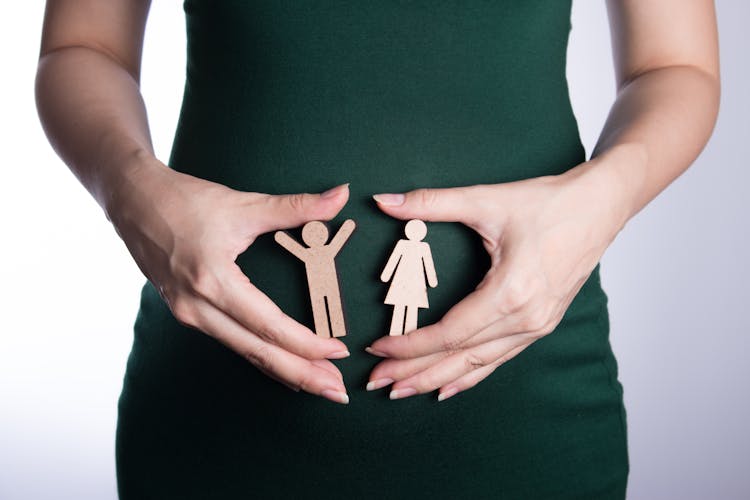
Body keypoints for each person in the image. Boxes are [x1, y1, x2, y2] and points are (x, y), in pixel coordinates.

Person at [35, 1, 720, 498]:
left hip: (529, 427)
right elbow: (83, 46)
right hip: (210, 428)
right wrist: (130, 188)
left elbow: (677, 66)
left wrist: (606, 196)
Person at [381, 219, 438, 335]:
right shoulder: (403, 244)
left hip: (414, 283)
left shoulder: (423, 247)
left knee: (409, 309)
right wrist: (386, 275)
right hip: (404, 282)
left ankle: (407, 335)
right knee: (401, 308)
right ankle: (396, 334)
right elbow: (394, 260)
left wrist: (432, 280)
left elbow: (428, 265)